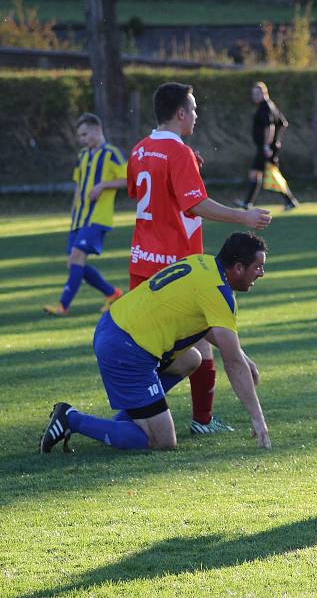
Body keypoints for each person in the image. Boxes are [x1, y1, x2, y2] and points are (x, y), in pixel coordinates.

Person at [39, 232, 272, 453]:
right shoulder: (219, 293)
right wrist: (257, 419)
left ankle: (133, 417)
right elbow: (232, 364)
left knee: (191, 359)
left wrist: (240, 355)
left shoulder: (203, 263)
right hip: (127, 348)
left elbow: (207, 323)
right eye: (258, 267)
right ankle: (71, 418)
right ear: (239, 268)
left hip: (115, 325)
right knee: (162, 441)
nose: (261, 273)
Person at [128, 81, 272, 436]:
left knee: (194, 351)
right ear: (179, 113)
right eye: (192, 109)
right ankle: (151, 410)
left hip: (142, 263)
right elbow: (194, 204)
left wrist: (187, 167)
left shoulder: (141, 150)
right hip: (175, 265)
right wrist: (244, 216)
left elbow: (141, 190)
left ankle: (196, 419)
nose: (196, 114)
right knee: (197, 349)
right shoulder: (177, 152)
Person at [43, 113, 127, 316]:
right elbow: (78, 185)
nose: (82, 139)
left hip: (98, 218)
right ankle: (112, 293)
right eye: (80, 136)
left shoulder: (111, 153)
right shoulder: (83, 155)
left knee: (76, 257)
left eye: (85, 134)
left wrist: (104, 185)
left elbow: (128, 179)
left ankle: (63, 306)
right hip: (79, 219)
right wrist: (73, 213)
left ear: (97, 130)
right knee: (75, 263)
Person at [235, 82, 299, 211]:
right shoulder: (271, 106)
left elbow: (270, 126)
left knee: (261, 174)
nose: (255, 96)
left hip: (265, 148)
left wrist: (267, 145)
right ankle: (289, 201)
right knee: (267, 174)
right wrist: (277, 141)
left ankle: (289, 200)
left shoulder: (265, 107)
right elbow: (283, 123)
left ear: (265, 93)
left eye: (257, 93)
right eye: (253, 94)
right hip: (268, 147)